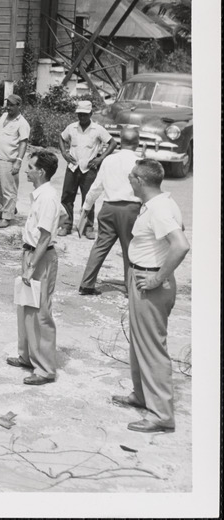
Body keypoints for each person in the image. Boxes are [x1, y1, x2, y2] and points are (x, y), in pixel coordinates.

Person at [113, 159, 190, 433]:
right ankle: (142, 395)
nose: (130, 181)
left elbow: (180, 245)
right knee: (139, 342)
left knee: (152, 347)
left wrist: (157, 278)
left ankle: (161, 415)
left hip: (152, 281)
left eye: (132, 177)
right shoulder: (157, 204)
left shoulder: (159, 208)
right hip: (143, 277)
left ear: (140, 181)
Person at [7, 150, 63, 386]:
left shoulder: (48, 197)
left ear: (40, 172)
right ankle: (28, 356)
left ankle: (45, 369)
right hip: (30, 253)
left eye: (30, 167)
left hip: (40, 257)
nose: (26, 170)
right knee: (26, 307)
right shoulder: (40, 195)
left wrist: (31, 266)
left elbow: (45, 236)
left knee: (40, 313)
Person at [76, 125, 142, 295]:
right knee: (130, 249)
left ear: (120, 141)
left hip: (108, 208)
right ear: (138, 142)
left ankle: (86, 284)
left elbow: (96, 187)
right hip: (131, 209)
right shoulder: (140, 161)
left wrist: (85, 208)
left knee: (100, 246)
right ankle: (131, 288)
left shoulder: (109, 160)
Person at [57, 100, 116, 238]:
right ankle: (66, 225)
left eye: (84, 114)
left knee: (88, 198)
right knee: (67, 197)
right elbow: (61, 137)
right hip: (72, 167)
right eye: (79, 114)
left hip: (89, 169)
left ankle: (88, 227)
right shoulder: (71, 127)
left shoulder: (98, 129)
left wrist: (100, 159)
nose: (81, 117)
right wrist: (64, 153)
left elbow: (112, 143)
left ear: (90, 114)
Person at [0, 94, 31, 229]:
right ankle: (9, 209)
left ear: (19, 106)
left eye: (12, 105)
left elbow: (24, 143)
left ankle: (7, 216)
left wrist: (18, 162)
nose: (9, 107)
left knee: (9, 189)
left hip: (9, 160)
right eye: (8, 104)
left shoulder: (22, 123)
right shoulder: (3, 117)